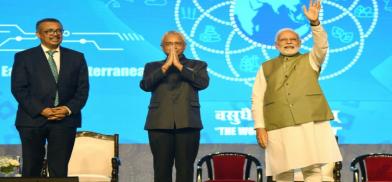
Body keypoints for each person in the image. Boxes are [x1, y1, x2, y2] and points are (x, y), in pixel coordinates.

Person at [251, 1, 342, 181]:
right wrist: (259, 127)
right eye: (284, 40)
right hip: (278, 124)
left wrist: (315, 24)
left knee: (314, 170)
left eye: (293, 39)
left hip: (310, 121)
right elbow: (257, 98)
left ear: (300, 43)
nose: (289, 42)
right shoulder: (266, 67)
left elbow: (322, 45)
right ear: (276, 45)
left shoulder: (311, 59)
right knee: (282, 173)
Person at [11, 18, 89, 177]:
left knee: (59, 170)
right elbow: (19, 89)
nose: (55, 34)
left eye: (59, 30)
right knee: (31, 168)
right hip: (31, 120)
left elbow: (82, 90)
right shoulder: (24, 57)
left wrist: (67, 109)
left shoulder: (77, 57)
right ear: (38, 34)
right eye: (49, 31)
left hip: (65, 121)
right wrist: (41, 110)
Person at [140, 31, 209, 182]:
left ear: (184, 46)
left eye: (177, 43)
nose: (173, 47)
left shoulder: (197, 65)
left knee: (185, 170)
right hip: (159, 123)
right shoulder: (152, 66)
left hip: (188, 123)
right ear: (162, 47)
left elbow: (202, 83)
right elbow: (145, 85)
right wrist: (165, 68)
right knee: (161, 169)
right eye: (169, 44)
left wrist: (178, 66)